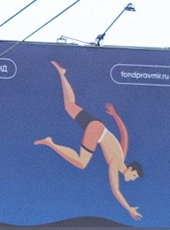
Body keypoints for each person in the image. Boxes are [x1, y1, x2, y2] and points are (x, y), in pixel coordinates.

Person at [33, 60, 143, 220]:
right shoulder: (116, 163)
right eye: (133, 176)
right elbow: (115, 190)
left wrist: (115, 115)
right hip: (97, 132)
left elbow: (124, 135)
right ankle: (50, 143)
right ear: (131, 170)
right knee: (82, 163)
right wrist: (128, 209)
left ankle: (62, 74)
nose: (131, 180)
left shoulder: (122, 155)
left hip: (98, 126)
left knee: (69, 105)